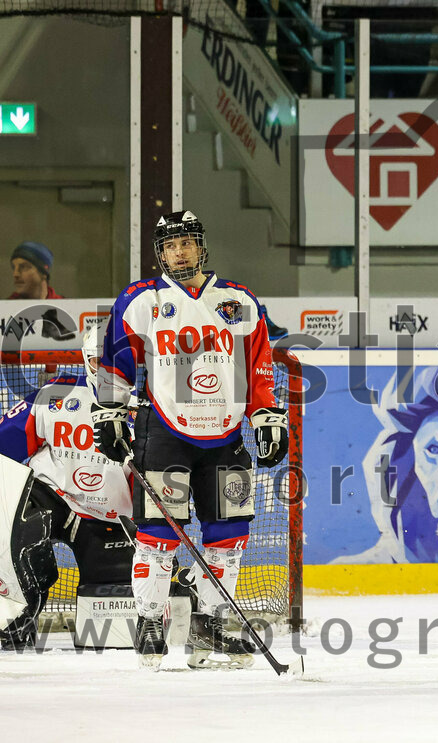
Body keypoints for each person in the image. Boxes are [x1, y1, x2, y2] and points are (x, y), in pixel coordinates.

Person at [91, 210, 288, 670]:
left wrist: (267, 417)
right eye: (169, 246)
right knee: (158, 537)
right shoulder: (141, 299)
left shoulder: (238, 301)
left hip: (226, 435)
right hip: (165, 433)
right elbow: (117, 360)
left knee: (229, 538)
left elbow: (258, 365)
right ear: (160, 254)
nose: (179, 252)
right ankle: (149, 622)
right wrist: (111, 413)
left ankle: (208, 626)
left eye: (186, 243)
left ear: (201, 246)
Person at [0, 324, 133, 650]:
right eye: (98, 361)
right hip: (50, 497)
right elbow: (6, 442)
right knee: (19, 541)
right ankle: (13, 626)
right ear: (86, 359)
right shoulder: (55, 393)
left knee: (111, 619)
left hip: (107, 519)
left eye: (113, 362)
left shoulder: (142, 410)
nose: (106, 370)